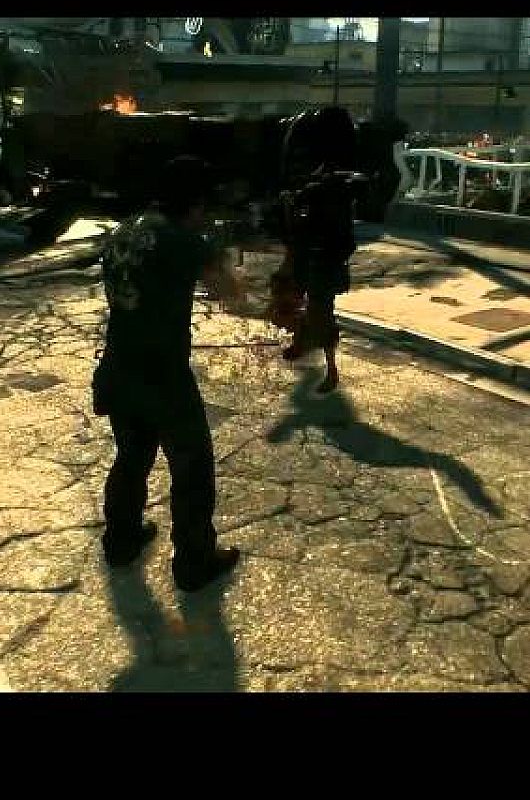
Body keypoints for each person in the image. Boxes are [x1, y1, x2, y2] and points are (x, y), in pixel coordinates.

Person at [92, 155, 245, 592]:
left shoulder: (125, 230)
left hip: (118, 363)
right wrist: (220, 256)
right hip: (163, 374)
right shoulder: (182, 239)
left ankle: (121, 541)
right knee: (192, 467)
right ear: (195, 203)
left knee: (131, 457)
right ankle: (195, 563)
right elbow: (231, 294)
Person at [273, 108, 364, 395]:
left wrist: (303, 197)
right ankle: (302, 340)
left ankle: (331, 368)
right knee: (293, 295)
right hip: (308, 249)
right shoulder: (319, 172)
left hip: (325, 253)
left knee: (321, 311)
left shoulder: (338, 179)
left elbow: (332, 216)